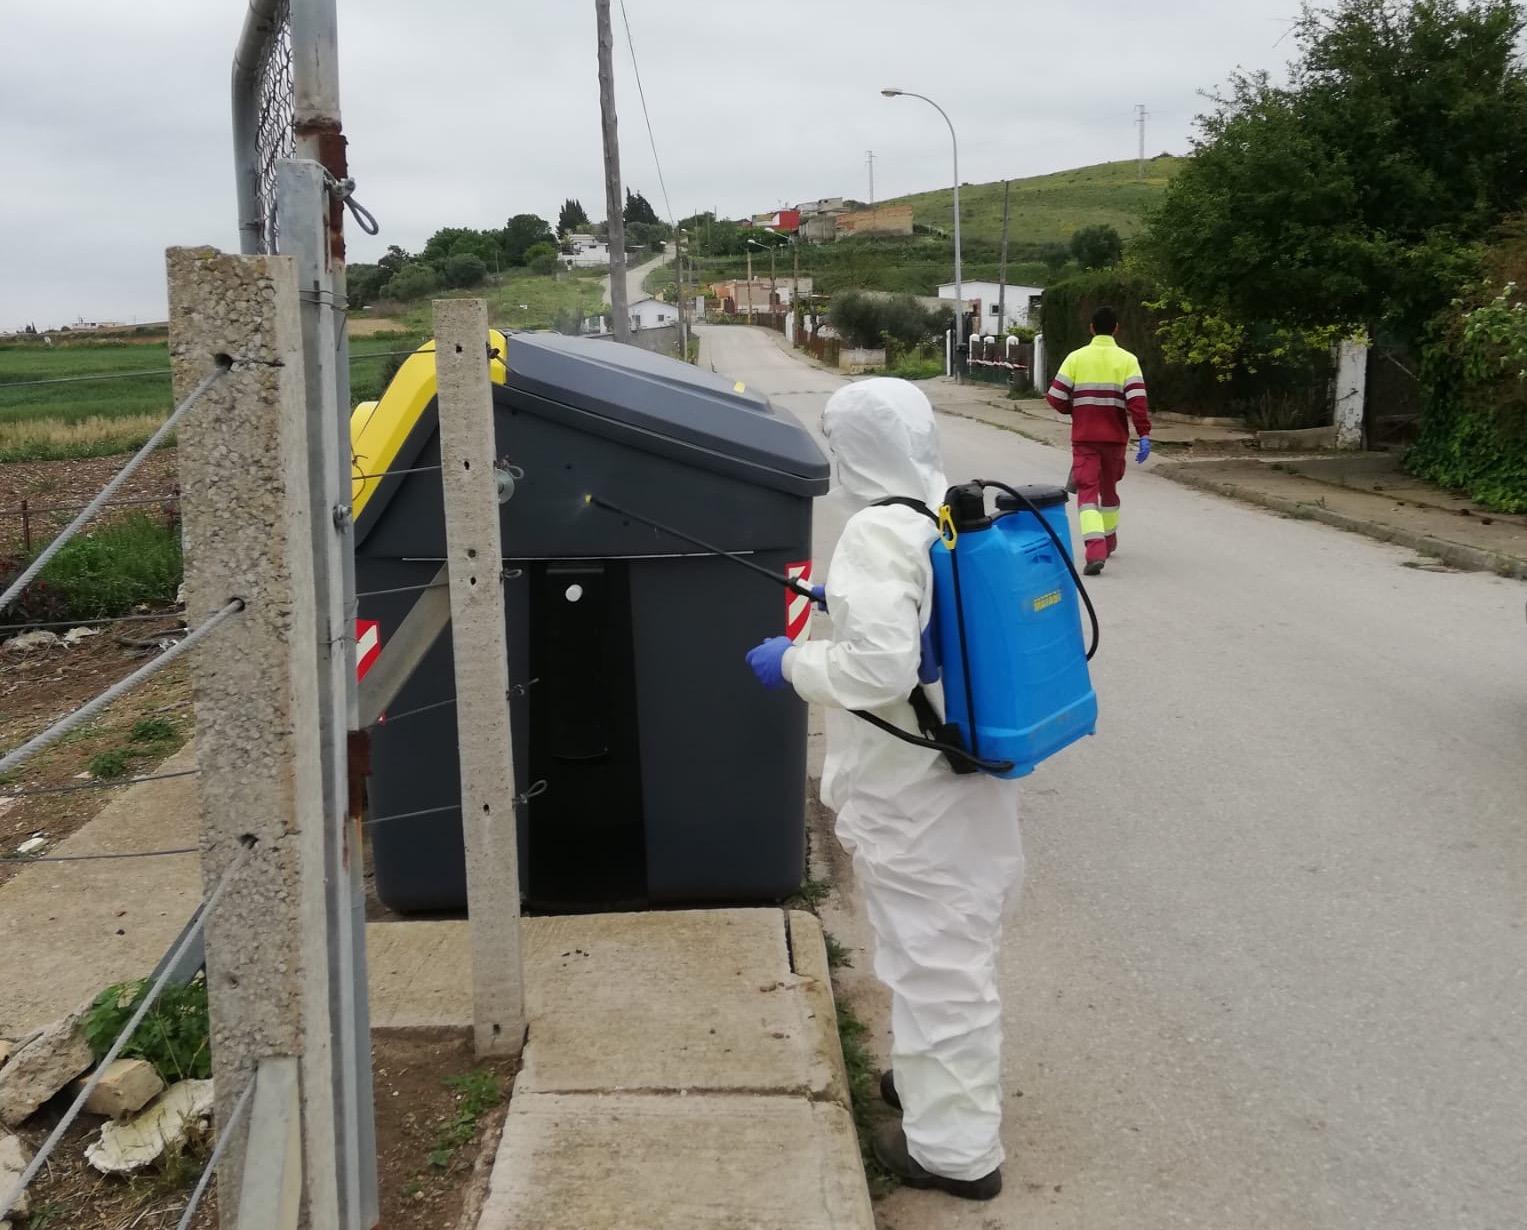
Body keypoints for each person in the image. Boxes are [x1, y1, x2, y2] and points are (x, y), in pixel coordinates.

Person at [743, 378, 1025, 1202]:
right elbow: (933, 632)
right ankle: (926, 1082)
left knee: (940, 962)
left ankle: (954, 1152)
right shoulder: (952, 515)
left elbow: (879, 669)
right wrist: (852, 608)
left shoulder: (876, 530)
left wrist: (793, 663)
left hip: (912, 790)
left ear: (851, 450)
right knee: (941, 944)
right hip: (968, 778)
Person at [1045, 305, 1152, 575]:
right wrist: (1144, 434)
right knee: (1109, 490)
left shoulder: (1076, 358)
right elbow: (1137, 402)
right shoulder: (1127, 360)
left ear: (1091, 328)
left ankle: (1095, 549)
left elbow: (1055, 396)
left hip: (1084, 439)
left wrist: (1076, 410)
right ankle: (1109, 539)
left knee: (1088, 495)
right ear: (1116, 328)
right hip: (1115, 440)